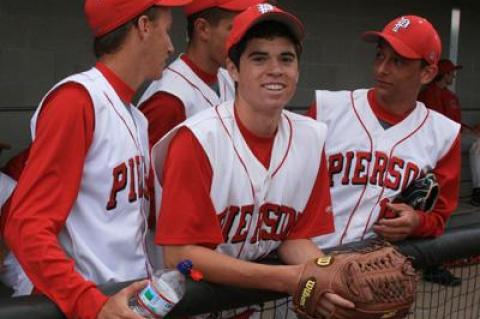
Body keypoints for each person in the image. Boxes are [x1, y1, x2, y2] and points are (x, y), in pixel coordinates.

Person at [152, 4, 358, 318]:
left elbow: (294, 235)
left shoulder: (310, 138)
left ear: (298, 70)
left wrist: (329, 280)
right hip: (189, 302)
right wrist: (290, 279)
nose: (275, 69)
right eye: (259, 58)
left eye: (286, 58)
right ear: (233, 70)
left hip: (249, 304)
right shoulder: (197, 140)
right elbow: (180, 255)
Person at [3, 0, 191, 318]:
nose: (171, 47)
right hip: (83, 304)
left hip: (125, 300)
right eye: (167, 31)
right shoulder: (77, 100)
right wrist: (92, 304)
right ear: (144, 26)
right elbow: (26, 228)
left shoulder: (136, 117)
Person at [308, 16, 461, 282]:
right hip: (307, 259)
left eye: (398, 61)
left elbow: (439, 217)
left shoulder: (443, 134)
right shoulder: (328, 109)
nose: (381, 69)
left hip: (374, 275)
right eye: (380, 56)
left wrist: (416, 222)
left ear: (427, 73)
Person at [138, 0, 263, 149]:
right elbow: (152, 171)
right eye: (234, 28)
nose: (244, 40)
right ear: (203, 29)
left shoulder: (230, 77)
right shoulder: (169, 100)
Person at [418, 59, 480, 207]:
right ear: (444, 74)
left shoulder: (451, 96)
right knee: (477, 144)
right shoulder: (429, 93)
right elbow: (438, 122)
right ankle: (478, 192)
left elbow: (456, 122)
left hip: (455, 136)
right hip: (438, 139)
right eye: (451, 73)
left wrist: (470, 130)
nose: (453, 76)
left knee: (477, 143)